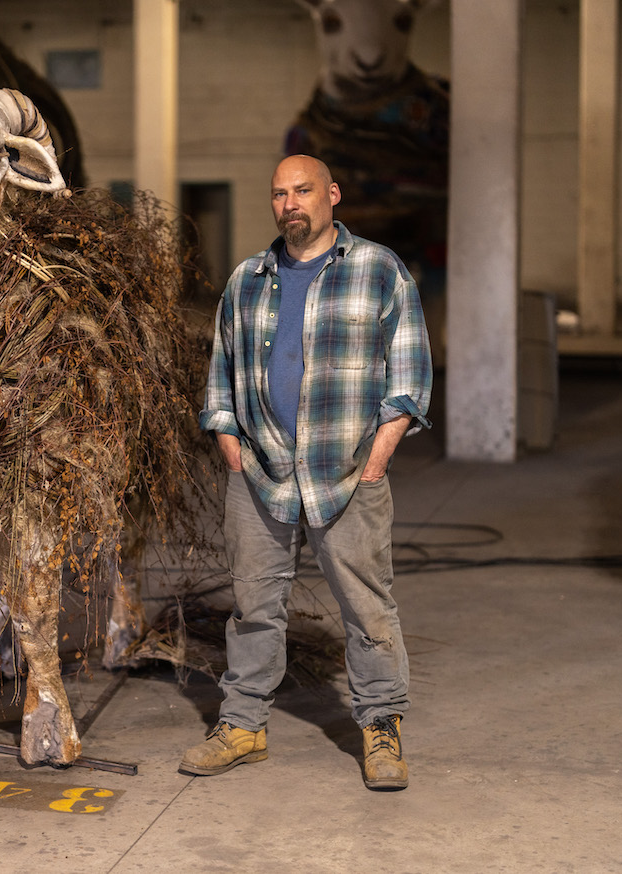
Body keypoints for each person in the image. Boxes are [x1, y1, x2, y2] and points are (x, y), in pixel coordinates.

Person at [180, 154, 432, 790]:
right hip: (261, 470)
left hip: (347, 474)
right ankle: (242, 726)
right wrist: (232, 446)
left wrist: (375, 463)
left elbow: (409, 381)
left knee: (366, 607)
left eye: (303, 190)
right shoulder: (246, 279)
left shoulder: (380, 271)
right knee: (254, 607)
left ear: (333, 195)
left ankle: (380, 729)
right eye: (278, 194)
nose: (290, 203)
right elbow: (220, 377)